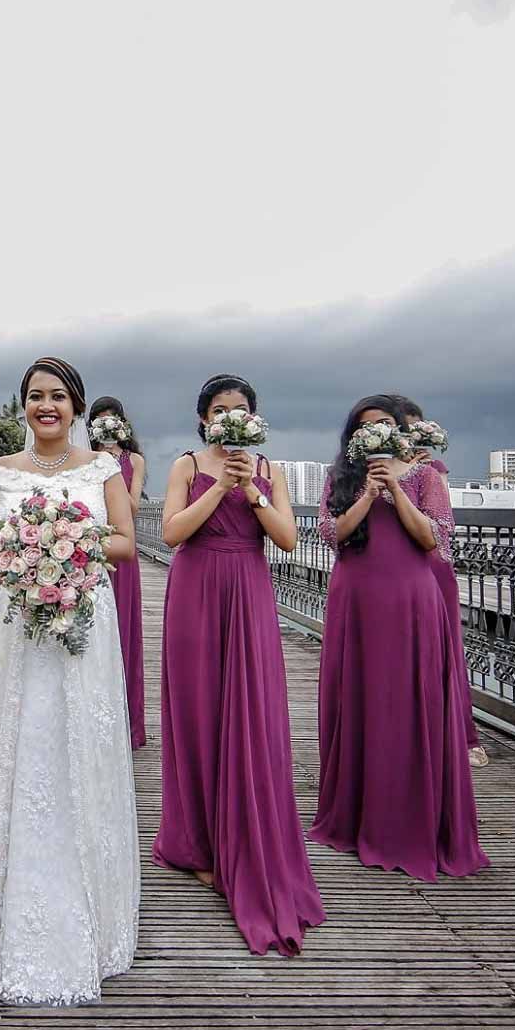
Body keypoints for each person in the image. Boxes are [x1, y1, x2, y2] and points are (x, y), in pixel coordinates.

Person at [0, 358, 140, 1005]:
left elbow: (123, 539)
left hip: (84, 627)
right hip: (14, 631)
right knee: (23, 739)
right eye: (36, 396)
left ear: (76, 406)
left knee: (72, 745)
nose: (47, 406)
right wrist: (30, 537)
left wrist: (70, 535)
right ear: (23, 405)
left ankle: (85, 886)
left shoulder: (103, 470)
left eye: (58, 396)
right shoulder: (0, 470)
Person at [154, 374, 324, 955]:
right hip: (196, 590)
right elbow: (172, 531)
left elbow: (288, 540)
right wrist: (216, 485)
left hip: (248, 593)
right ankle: (197, 843)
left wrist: (250, 489)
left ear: (255, 420)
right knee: (198, 713)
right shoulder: (185, 465)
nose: (230, 418)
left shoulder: (269, 471)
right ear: (204, 419)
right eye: (220, 410)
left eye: (241, 410)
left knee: (251, 713)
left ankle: (245, 833)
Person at [310, 395, 488, 881]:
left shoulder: (426, 475)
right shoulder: (341, 478)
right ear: (354, 436)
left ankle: (412, 815)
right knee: (360, 698)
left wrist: (397, 489)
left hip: (411, 598)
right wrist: (368, 493)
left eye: (385, 424)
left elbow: (433, 538)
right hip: (355, 598)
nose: (376, 432)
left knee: (412, 699)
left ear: (400, 431)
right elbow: (334, 535)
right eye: (366, 426)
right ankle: (354, 811)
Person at [387, 393, 487, 769]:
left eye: (413, 431)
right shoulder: (376, 469)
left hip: (433, 567)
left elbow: (441, 524)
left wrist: (420, 473)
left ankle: (462, 733)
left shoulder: (432, 471)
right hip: (393, 569)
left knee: (444, 651)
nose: (408, 440)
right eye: (402, 431)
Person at [88, 395, 146, 748]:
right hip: (90, 549)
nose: (107, 427)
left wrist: (113, 470)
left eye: (112, 420)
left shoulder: (134, 460)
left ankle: (123, 723)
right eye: (100, 421)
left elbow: (134, 507)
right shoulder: (83, 460)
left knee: (123, 632)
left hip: (122, 551)